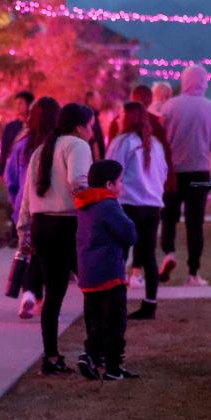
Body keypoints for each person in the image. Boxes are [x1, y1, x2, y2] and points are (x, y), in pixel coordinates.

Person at [17, 103, 95, 375]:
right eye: (91, 126)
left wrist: (23, 229)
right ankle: (94, 350)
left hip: (41, 224)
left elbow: (27, 195)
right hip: (67, 223)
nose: (92, 133)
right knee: (93, 287)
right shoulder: (78, 146)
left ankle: (51, 357)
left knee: (53, 294)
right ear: (79, 126)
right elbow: (79, 181)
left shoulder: (42, 149)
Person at [158, 65, 211, 286]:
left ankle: (169, 253)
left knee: (169, 217)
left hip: (172, 172)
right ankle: (193, 273)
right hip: (199, 170)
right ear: (204, 82)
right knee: (195, 223)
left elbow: (160, 141)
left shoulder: (169, 106)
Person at [74, 160, 139, 380]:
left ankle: (90, 355)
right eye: (120, 181)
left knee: (95, 322)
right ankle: (112, 368)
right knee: (114, 323)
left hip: (88, 275)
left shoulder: (84, 205)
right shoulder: (108, 205)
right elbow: (129, 233)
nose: (123, 186)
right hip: (110, 274)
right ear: (109, 184)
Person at [107, 102, 168, 320]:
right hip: (152, 205)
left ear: (128, 117)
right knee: (149, 255)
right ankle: (150, 303)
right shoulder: (155, 145)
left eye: (120, 114)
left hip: (128, 203)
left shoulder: (122, 142)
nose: (117, 117)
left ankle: (116, 303)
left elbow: (111, 170)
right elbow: (163, 173)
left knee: (120, 254)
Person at [4, 97, 60, 318]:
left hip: (25, 206)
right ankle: (37, 296)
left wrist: (16, 202)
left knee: (31, 250)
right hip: (52, 207)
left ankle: (29, 293)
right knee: (48, 257)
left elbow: (11, 180)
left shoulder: (21, 144)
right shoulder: (59, 144)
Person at [0, 91, 34, 177]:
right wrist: (0, 171)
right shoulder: (10, 127)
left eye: (21, 103)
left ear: (29, 105)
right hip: (13, 168)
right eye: (16, 104)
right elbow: (4, 150)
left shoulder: (35, 126)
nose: (17, 106)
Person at [85, 90, 107, 161]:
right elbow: (94, 142)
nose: (100, 101)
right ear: (90, 101)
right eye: (97, 99)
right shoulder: (89, 118)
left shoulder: (95, 117)